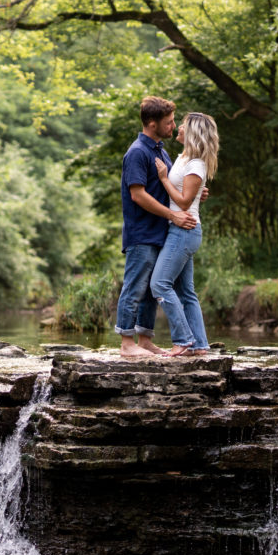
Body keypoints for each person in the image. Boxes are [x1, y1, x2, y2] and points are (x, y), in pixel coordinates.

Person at [115, 96, 197, 358]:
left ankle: (145, 339)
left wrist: (195, 193)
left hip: (159, 232)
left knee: (151, 289)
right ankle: (127, 342)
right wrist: (173, 217)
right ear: (152, 124)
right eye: (169, 122)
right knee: (135, 286)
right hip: (141, 233)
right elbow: (138, 195)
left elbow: (168, 187)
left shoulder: (160, 150)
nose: (173, 126)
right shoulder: (137, 152)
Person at [151, 112, 218, 357]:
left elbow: (182, 202)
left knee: (159, 284)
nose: (178, 127)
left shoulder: (196, 163)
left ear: (193, 133)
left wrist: (163, 179)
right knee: (186, 292)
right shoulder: (183, 157)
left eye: (183, 125)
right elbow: (189, 192)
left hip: (184, 230)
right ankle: (200, 345)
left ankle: (183, 340)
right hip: (180, 229)